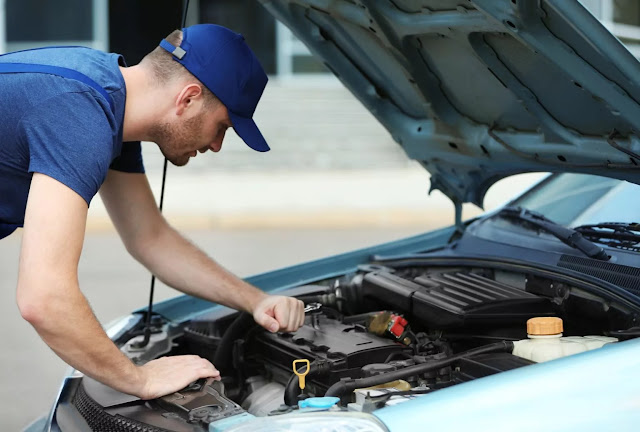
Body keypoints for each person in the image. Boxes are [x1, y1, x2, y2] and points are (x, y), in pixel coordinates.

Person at [0, 24, 305, 399]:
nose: (216, 145)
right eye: (222, 126)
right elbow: (44, 298)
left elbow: (150, 237)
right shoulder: (81, 114)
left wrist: (256, 301)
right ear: (188, 99)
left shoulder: (106, 99)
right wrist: (139, 379)